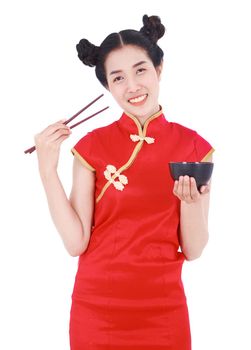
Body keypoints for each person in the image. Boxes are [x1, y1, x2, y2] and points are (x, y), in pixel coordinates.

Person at [34, 14, 214, 350]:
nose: (132, 86)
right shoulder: (91, 147)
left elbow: (194, 248)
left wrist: (190, 204)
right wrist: (47, 171)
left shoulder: (195, 148)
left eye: (140, 70)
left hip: (165, 311)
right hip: (96, 310)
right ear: (107, 86)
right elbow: (76, 243)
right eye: (117, 78)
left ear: (159, 70)